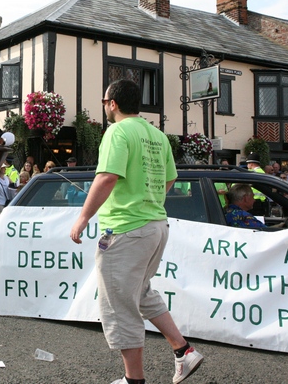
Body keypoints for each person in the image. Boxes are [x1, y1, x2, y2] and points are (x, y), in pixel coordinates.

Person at [69, 79, 202, 384]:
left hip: (126, 229)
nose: (105, 107)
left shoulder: (117, 131)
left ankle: (134, 381)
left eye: (105, 102)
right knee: (140, 293)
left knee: (119, 305)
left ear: (112, 103)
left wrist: (83, 217)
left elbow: (106, 178)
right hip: (156, 226)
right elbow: (169, 180)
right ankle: (183, 351)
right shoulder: (157, 135)